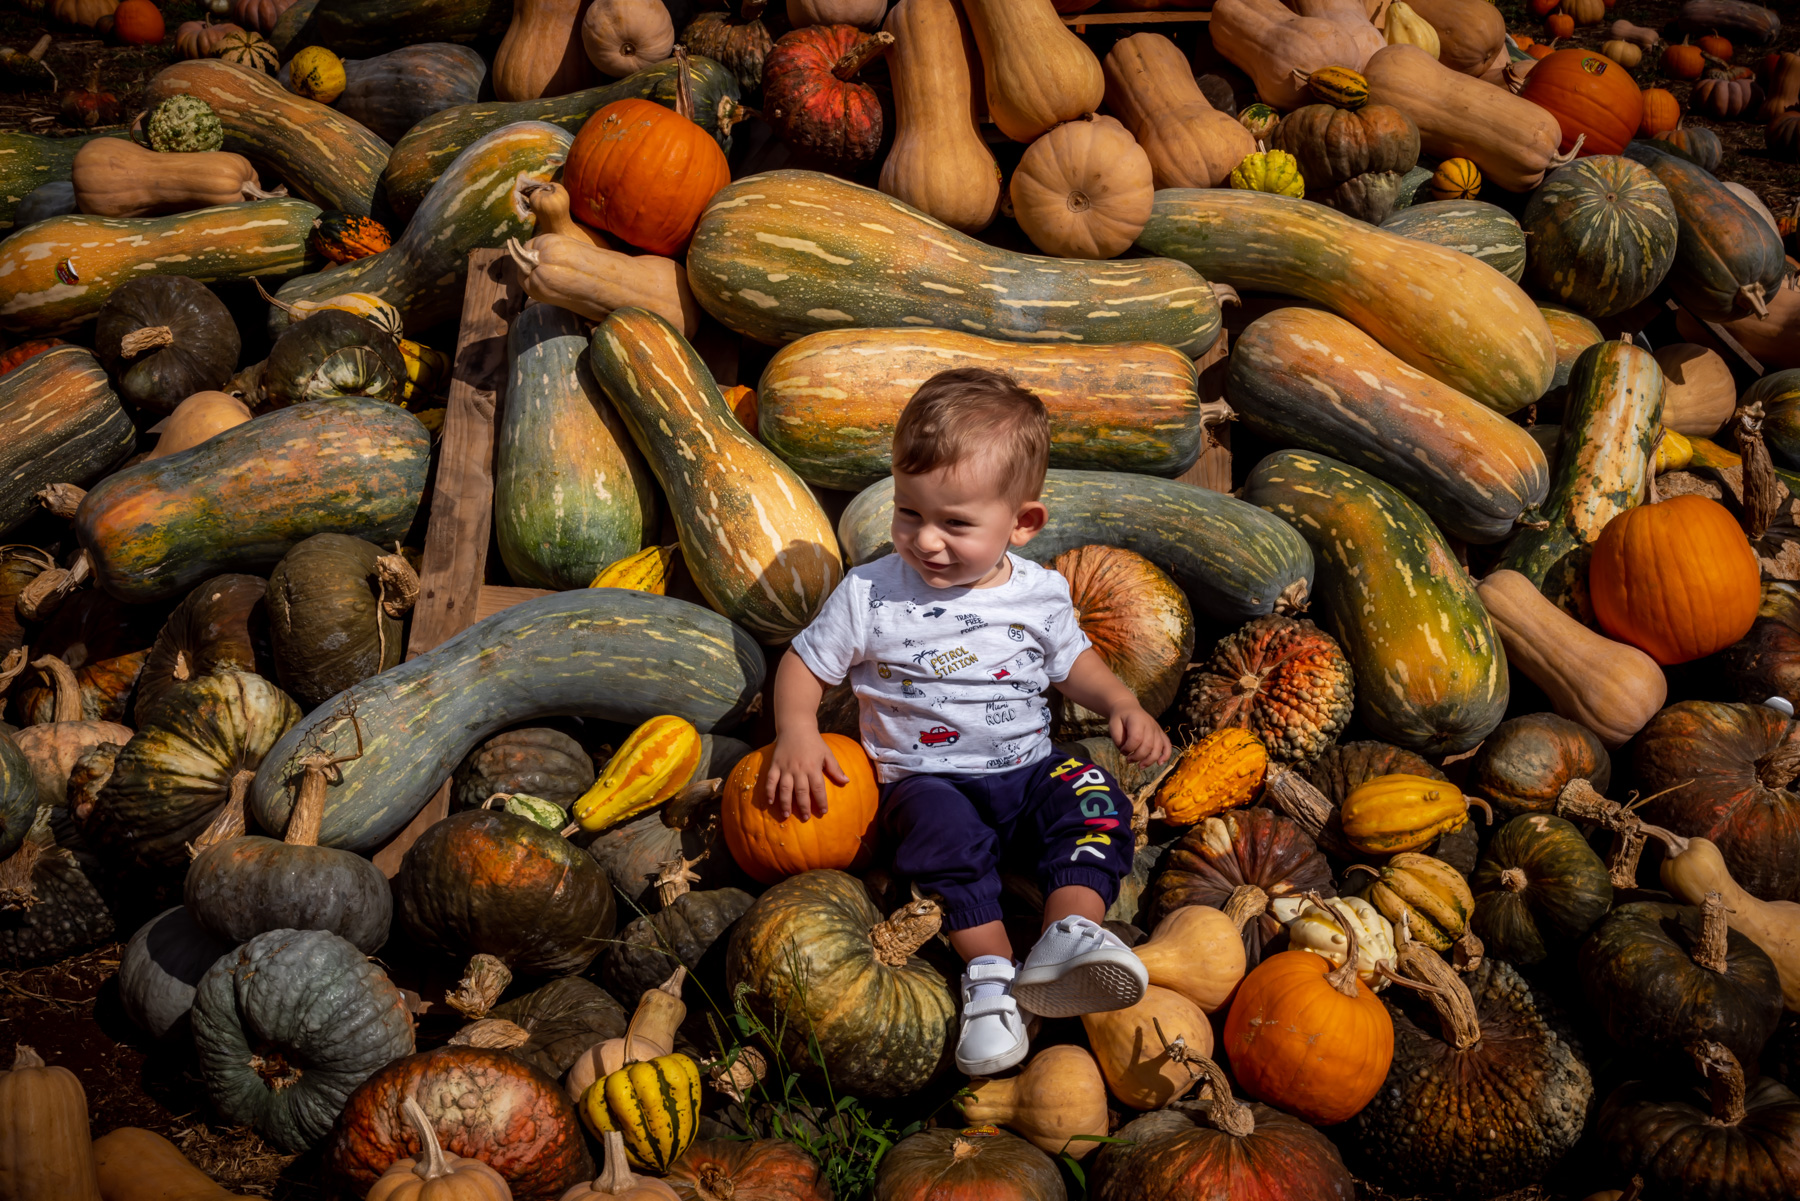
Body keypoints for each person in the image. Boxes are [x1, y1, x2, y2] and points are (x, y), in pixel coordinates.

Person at [764, 366, 1173, 1075]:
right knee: (942, 842)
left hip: (1029, 771)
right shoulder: (870, 594)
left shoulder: (1039, 592)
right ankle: (990, 978)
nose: (925, 541)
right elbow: (805, 662)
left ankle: (1069, 933)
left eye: (955, 523)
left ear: (1022, 523)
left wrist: (1120, 702)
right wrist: (796, 729)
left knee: (1095, 797)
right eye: (909, 512)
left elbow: (1072, 661)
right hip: (928, 781)